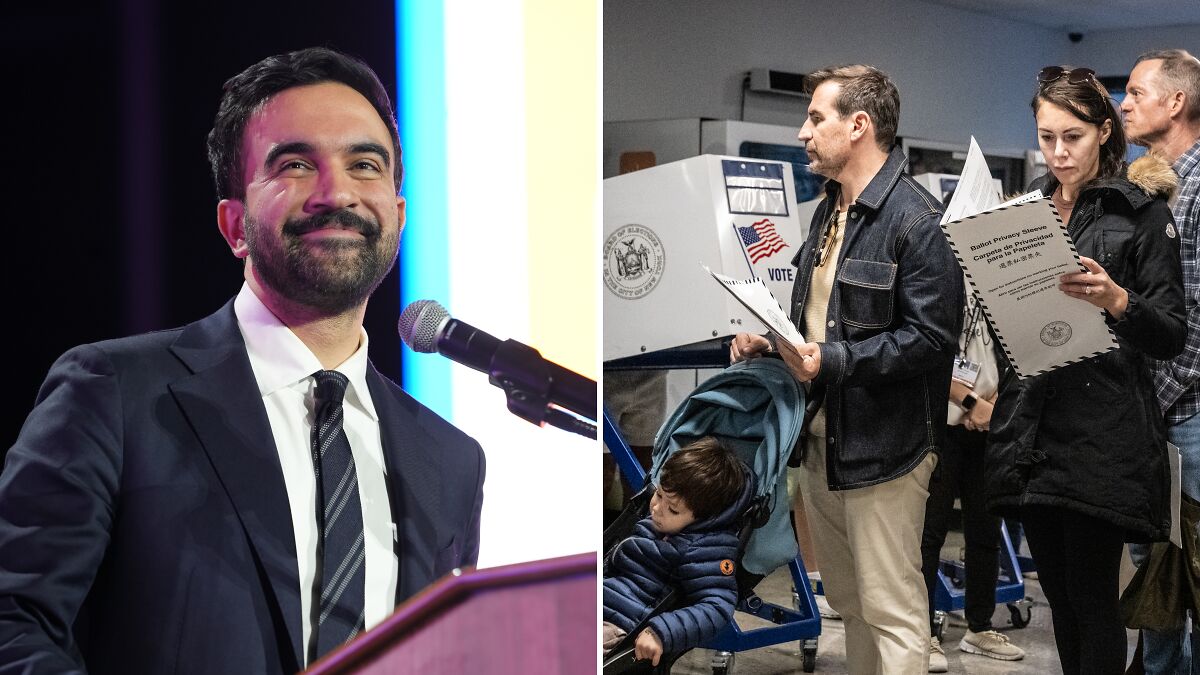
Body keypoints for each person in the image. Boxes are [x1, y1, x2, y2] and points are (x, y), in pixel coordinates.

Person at [0, 47, 485, 674]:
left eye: (364, 165)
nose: (337, 192)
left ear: (398, 214)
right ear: (234, 225)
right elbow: (13, 625)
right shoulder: (113, 393)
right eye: (296, 165)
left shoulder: (450, 460)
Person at [731, 64, 963, 674]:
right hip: (821, 440)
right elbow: (820, 321)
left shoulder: (917, 220)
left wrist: (829, 360)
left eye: (816, 118)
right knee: (850, 601)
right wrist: (771, 343)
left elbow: (930, 340)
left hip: (887, 449)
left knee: (893, 608)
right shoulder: (829, 210)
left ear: (858, 125)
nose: (803, 132)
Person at [986, 65, 1186, 675]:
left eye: (1072, 136)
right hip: (1034, 426)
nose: (1058, 152)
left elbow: (1171, 332)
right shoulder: (1025, 210)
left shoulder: (1141, 214)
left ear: (1103, 131)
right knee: (1059, 599)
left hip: (1104, 433)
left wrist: (1118, 300)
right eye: (1046, 137)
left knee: (1093, 596)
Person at [1124, 48, 1200, 675]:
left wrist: (1153, 396)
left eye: (1135, 92)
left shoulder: (1199, 189)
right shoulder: (1147, 186)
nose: (1123, 105)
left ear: (1176, 102)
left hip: (1188, 413)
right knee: (1156, 571)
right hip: (1150, 412)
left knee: (1192, 569)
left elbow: (1195, 318)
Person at [920, 285, 1025, 672]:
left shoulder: (991, 271)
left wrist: (993, 405)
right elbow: (924, 351)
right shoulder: (934, 269)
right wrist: (970, 402)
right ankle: (923, 634)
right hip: (940, 424)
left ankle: (979, 627)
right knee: (929, 533)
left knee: (986, 530)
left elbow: (1015, 346)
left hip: (988, 423)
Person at [602, 437, 750, 667]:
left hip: (619, 625)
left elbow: (717, 607)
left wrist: (661, 631)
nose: (656, 508)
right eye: (659, 494)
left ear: (702, 518)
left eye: (672, 509)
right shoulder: (656, 524)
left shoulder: (706, 549)